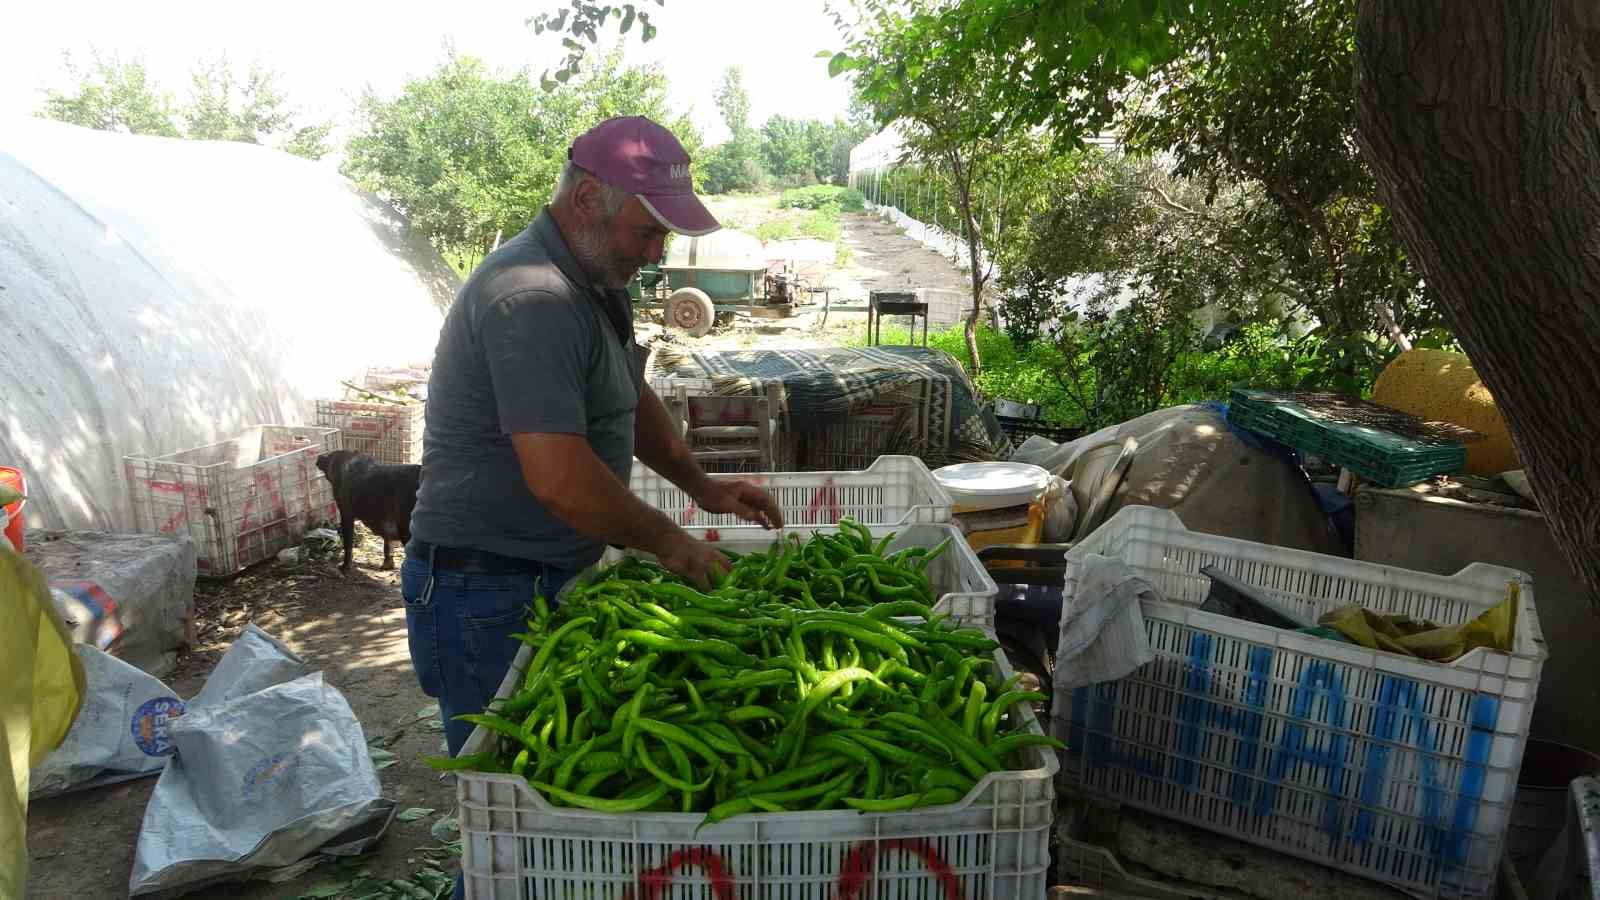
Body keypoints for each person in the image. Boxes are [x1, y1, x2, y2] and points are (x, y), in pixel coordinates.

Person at [402, 115, 784, 759]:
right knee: (513, 807)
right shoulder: (529, 297)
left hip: (549, 572)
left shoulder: (595, 282)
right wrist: (672, 544)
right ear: (585, 200)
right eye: (647, 231)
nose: (656, 252)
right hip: (487, 588)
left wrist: (701, 487)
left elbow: (626, 399)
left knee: (559, 778)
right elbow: (560, 477)